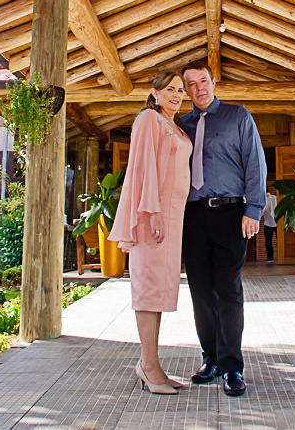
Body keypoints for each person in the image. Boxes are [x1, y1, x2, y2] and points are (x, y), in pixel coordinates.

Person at [179, 60, 266, 397]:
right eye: (191, 84)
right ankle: (210, 359)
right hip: (192, 216)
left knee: (228, 290)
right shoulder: (181, 125)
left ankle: (232, 367)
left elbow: (254, 162)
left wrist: (253, 209)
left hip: (231, 213)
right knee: (200, 291)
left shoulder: (238, 116)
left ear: (213, 82)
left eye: (203, 81)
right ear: (186, 90)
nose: (198, 88)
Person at [107, 68, 192, 395]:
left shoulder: (175, 126)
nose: (176, 95)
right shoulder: (148, 119)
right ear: (155, 93)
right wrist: (153, 212)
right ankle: (148, 365)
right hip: (152, 215)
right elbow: (143, 167)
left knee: (159, 289)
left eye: (180, 90)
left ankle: (152, 363)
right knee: (147, 288)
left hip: (172, 216)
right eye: (170, 89)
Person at [261, 192, 278, 264]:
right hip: (278, 222)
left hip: (268, 223)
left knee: (268, 241)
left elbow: (262, 211)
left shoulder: (264, 199)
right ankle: (282, 257)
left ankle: (270, 258)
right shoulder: (275, 197)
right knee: (280, 240)